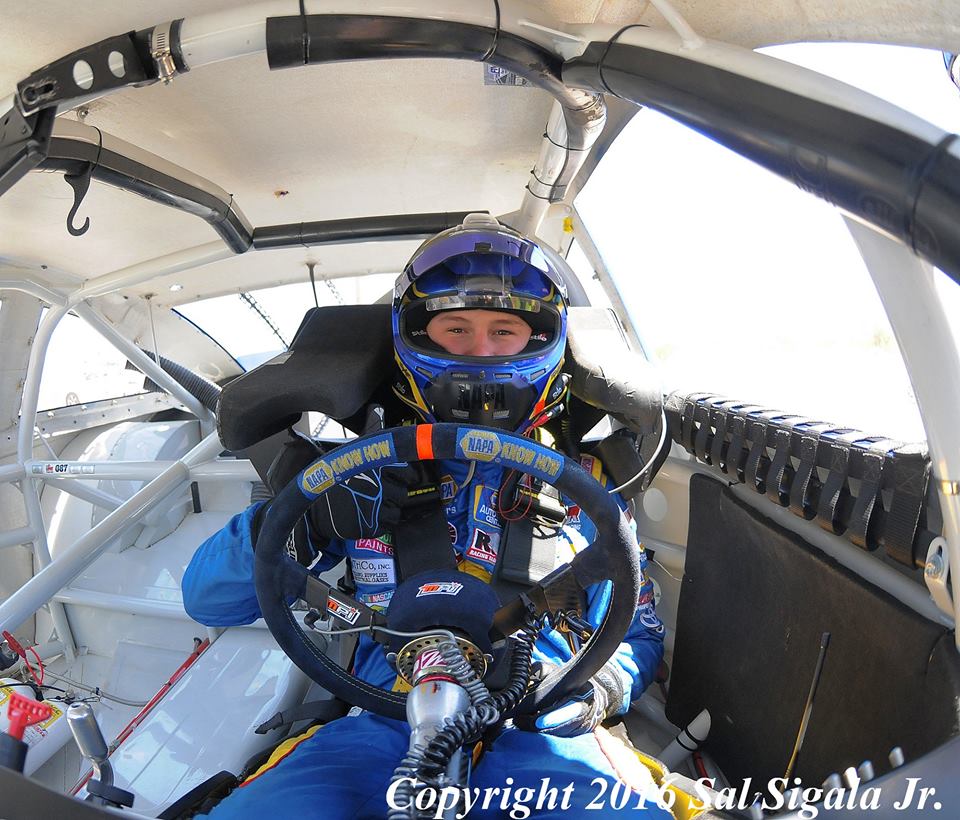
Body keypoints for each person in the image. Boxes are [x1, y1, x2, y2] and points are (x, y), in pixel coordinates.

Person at [181, 214, 669, 819]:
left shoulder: (589, 490)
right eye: (455, 328)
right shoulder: (350, 477)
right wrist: (298, 521)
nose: (479, 350)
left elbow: (639, 632)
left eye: (504, 330)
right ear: (416, 336)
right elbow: (204, 598)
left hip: (542, 730)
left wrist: (597, 691)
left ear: (542, 340)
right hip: (381, 719)